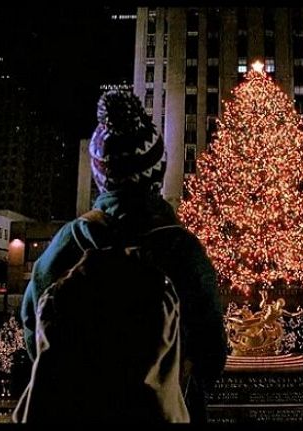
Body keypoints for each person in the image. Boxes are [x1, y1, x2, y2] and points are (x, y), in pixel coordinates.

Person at [20, 90, 227, 422]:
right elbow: (212, 350)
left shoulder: (67, 243)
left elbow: (33, 328)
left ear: (101, 177)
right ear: (158, 172)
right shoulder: (182, 250)